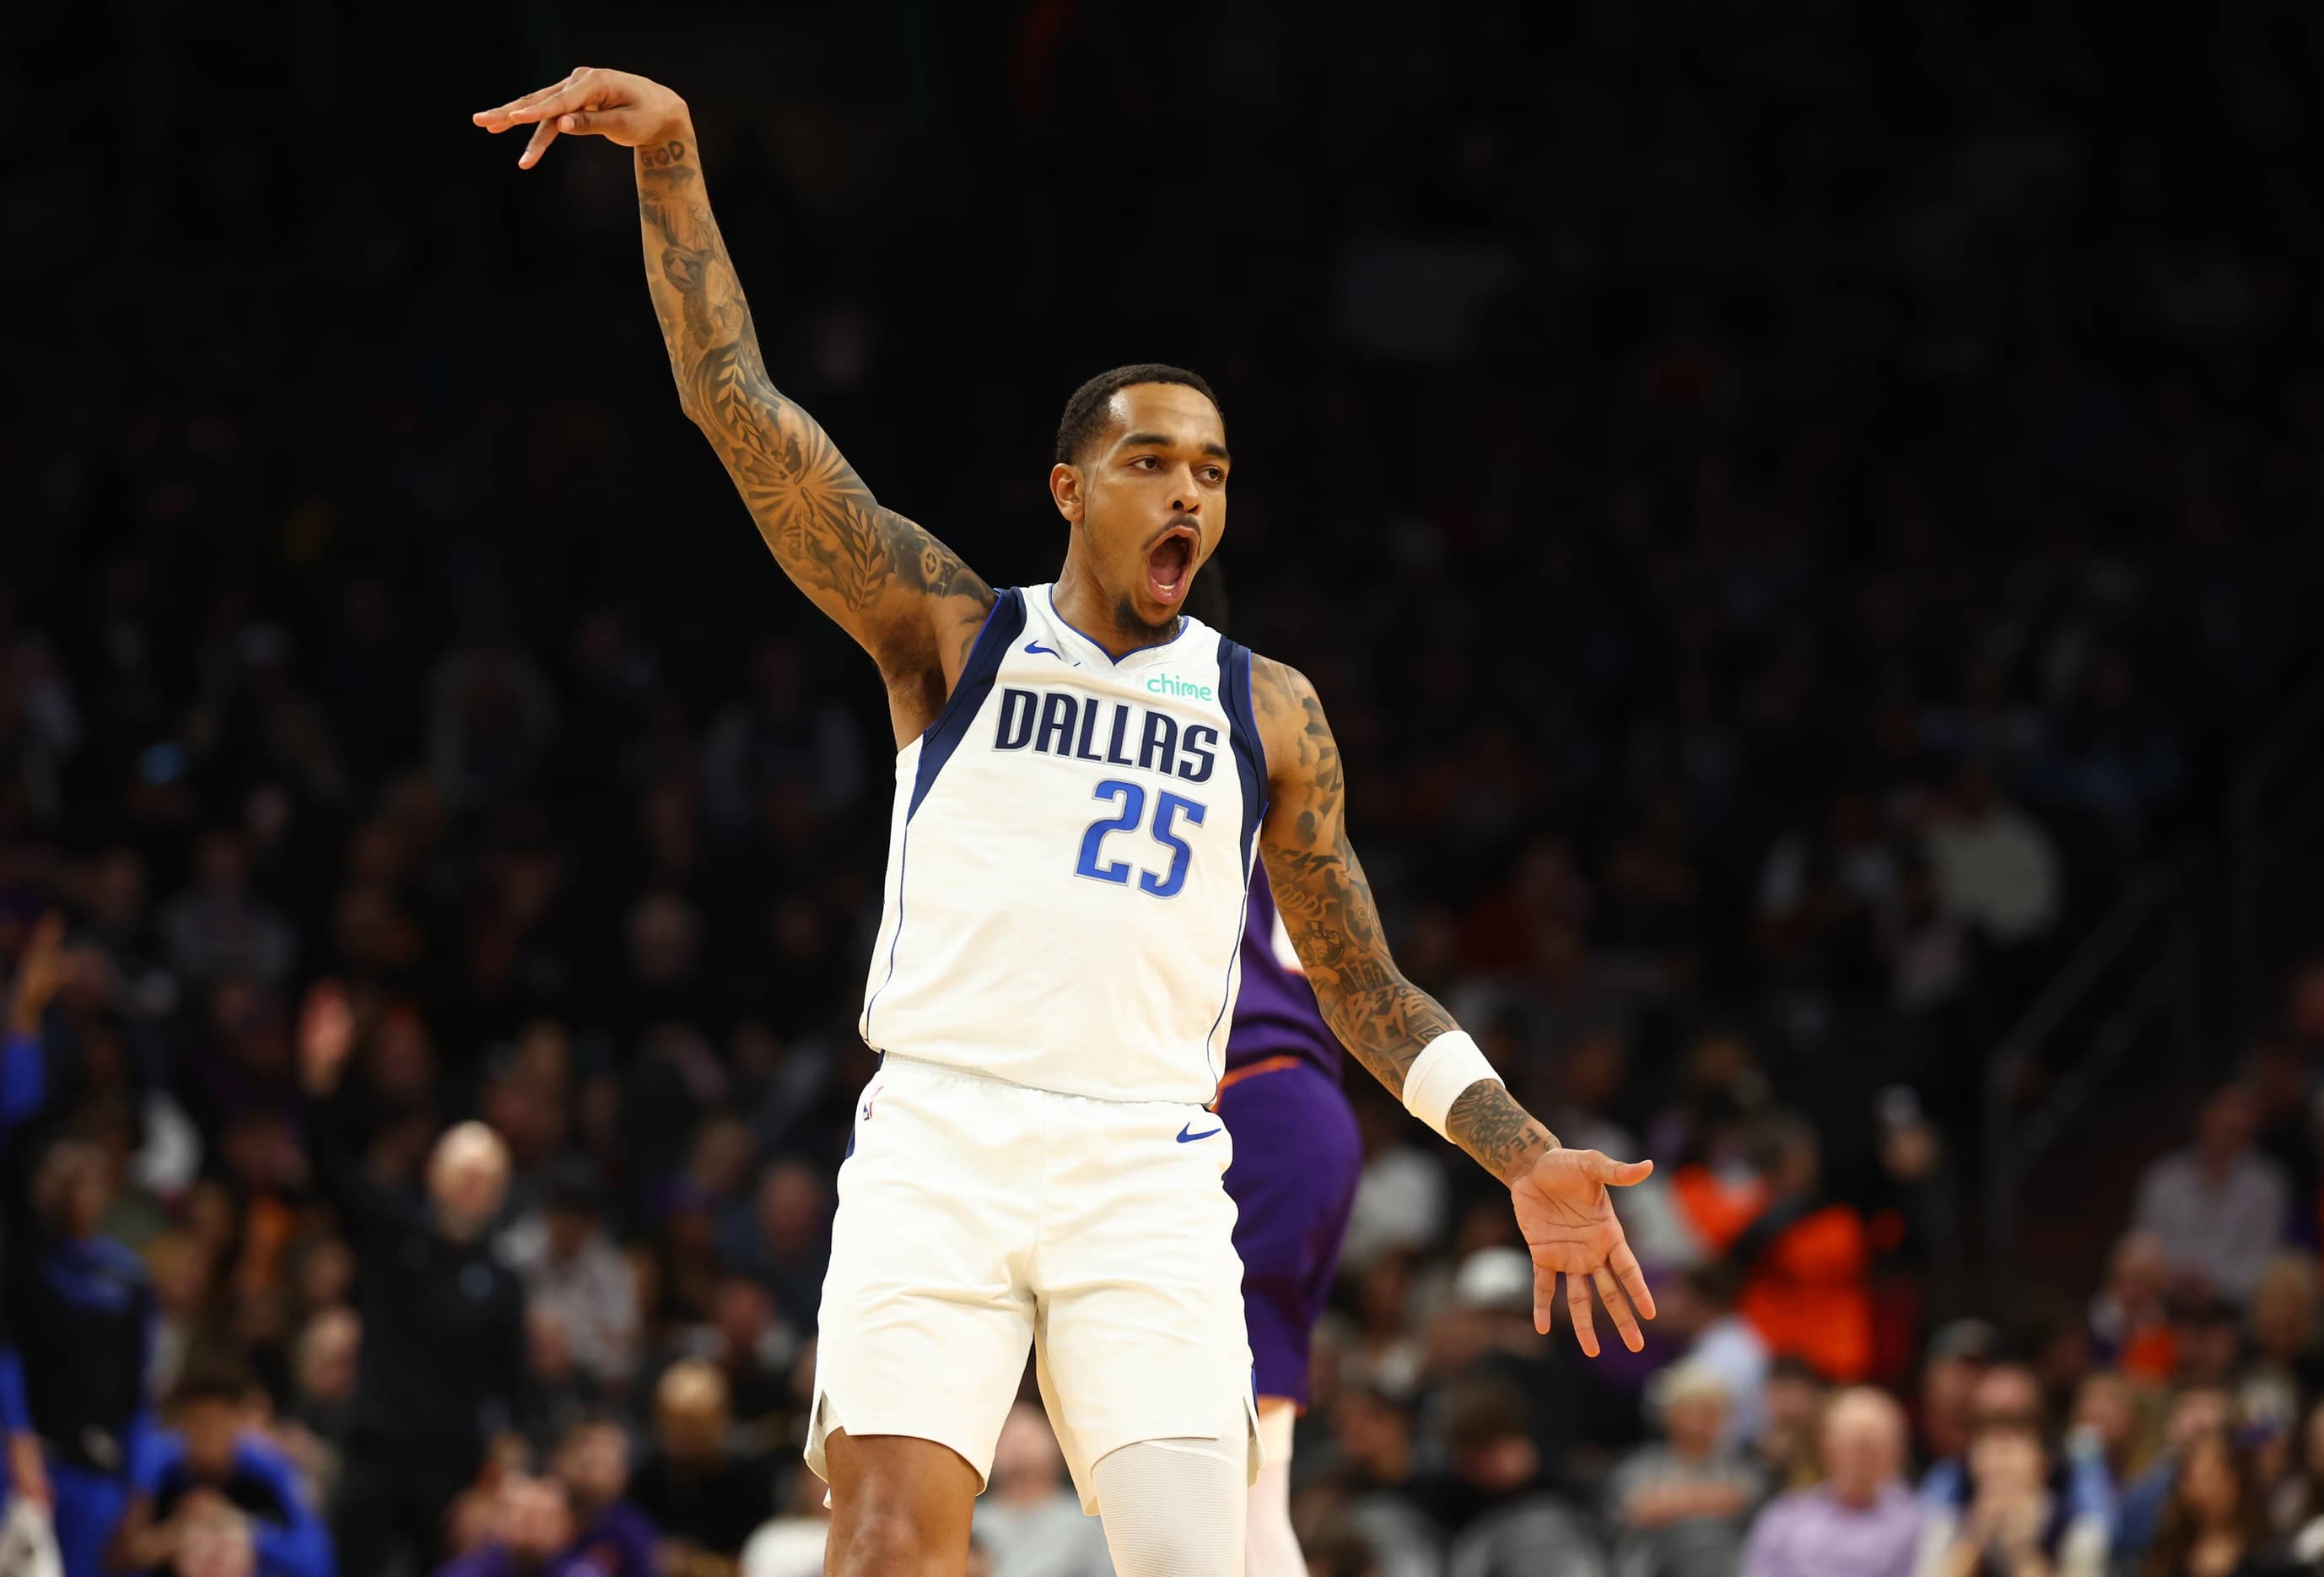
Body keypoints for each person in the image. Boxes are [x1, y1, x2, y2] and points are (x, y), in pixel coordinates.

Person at [471, 67, 1659, 1577]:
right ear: (1070, 485)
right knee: (887, 1545)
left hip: (1148, 1160)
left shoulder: (1269, 708)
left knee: (1197, 1559)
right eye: (1152, 460)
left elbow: (1359, 981)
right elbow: (739, 407)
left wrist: (1521, 1148)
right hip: (944, 1133)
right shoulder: (953, 634)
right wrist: (677, 165)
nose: (1188, 493)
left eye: (1213, 472)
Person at [1191, 559, 1364, 1577]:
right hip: (1304, 1111)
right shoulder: (1276, 787)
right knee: (1258, 1480)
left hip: (1252, 1102)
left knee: (1226, 1477)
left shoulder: (1175, 771)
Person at [296, 983, 529, 1577]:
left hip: (450, 1472)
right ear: (436, 1176)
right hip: (373, 1454)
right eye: (462, 1172)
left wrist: (490, 1485)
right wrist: (318, 1077)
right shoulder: (392, 1231)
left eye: (484, 1177)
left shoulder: (502, 1281)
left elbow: (514, 1393)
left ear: (499, 1192)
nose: (471, 1186)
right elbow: (328, 1168)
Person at [0, 916, 159, 1577]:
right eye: (64, 1174)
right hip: (23, 1466)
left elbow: (138, 1391)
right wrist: (24, 1023)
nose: (79, 1187)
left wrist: (138, 1488)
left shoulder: (127, 1278)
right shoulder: (24, 1254)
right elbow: (18, 1122)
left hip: (96, 1477)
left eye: (92, 1176)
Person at [108, 1359, 332, 1577]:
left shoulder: (269, 1469)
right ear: (181, 1422)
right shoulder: (158, 1465)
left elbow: (316, 1560)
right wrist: (177, 1535)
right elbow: (118, 1559)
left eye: (219, 1424)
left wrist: (234, 1523)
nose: (210, 1436)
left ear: (238, 1420)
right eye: (200, 1424)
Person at [1742, 1388, 1923, 1577]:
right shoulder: (1785, 1518)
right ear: (1828, 1446)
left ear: (1897, 1452)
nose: (1864, 1459)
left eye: (1877, 1446)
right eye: (1857, 1445)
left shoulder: (1916, 1523)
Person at [1606, 1364, 1763, 1577]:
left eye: (1711, 1411)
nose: (1702, 1421)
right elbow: (1636, 1511)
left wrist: (1672, 1503)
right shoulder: (1638, 1467)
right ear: (1668, 1415)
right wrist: (1713, 1500)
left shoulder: (1742, 1466)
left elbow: (1747, 1502)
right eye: (1693, 1410)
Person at [967, 1405, 1113, 1577]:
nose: (1018, 1446)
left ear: (1057, 1450)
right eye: (1007, 1438)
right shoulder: (973, 1520)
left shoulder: (1084, 1521)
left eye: (1029, 1438)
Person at [550, 1418, 656, 1577]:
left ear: (623, 1475)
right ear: (558, 1459)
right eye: (584, 1446)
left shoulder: (633, 1531)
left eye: (605, 1461)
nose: (594, 1456)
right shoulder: (536, 1515)